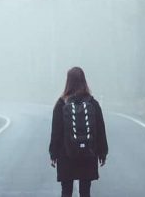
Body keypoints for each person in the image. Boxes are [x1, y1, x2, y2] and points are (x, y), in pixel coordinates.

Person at [48, 66, 108, 197]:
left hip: (66, 154)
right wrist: (102, 153)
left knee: (66, 191)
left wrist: (53, 154)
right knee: (85, 191)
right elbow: (100, 130)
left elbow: (56, 132)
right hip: (88, 153)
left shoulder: (61, 104)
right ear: (84, 81)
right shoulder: (93, 103)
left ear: (68, 82)